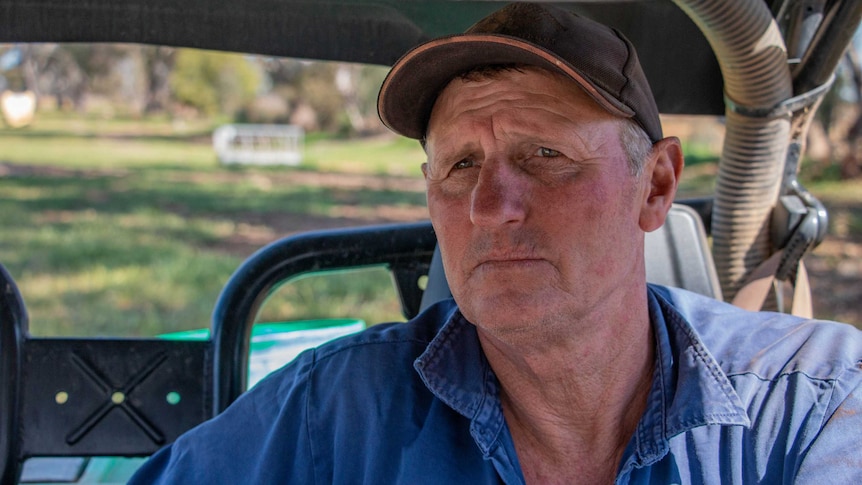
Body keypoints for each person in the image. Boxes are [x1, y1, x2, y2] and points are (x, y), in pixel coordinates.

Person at [130, 3, 862, 483]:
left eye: (546, 155)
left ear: (657, 186)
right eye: (461, 165)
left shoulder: (807, 403)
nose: (491, 206)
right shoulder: (335, 413)